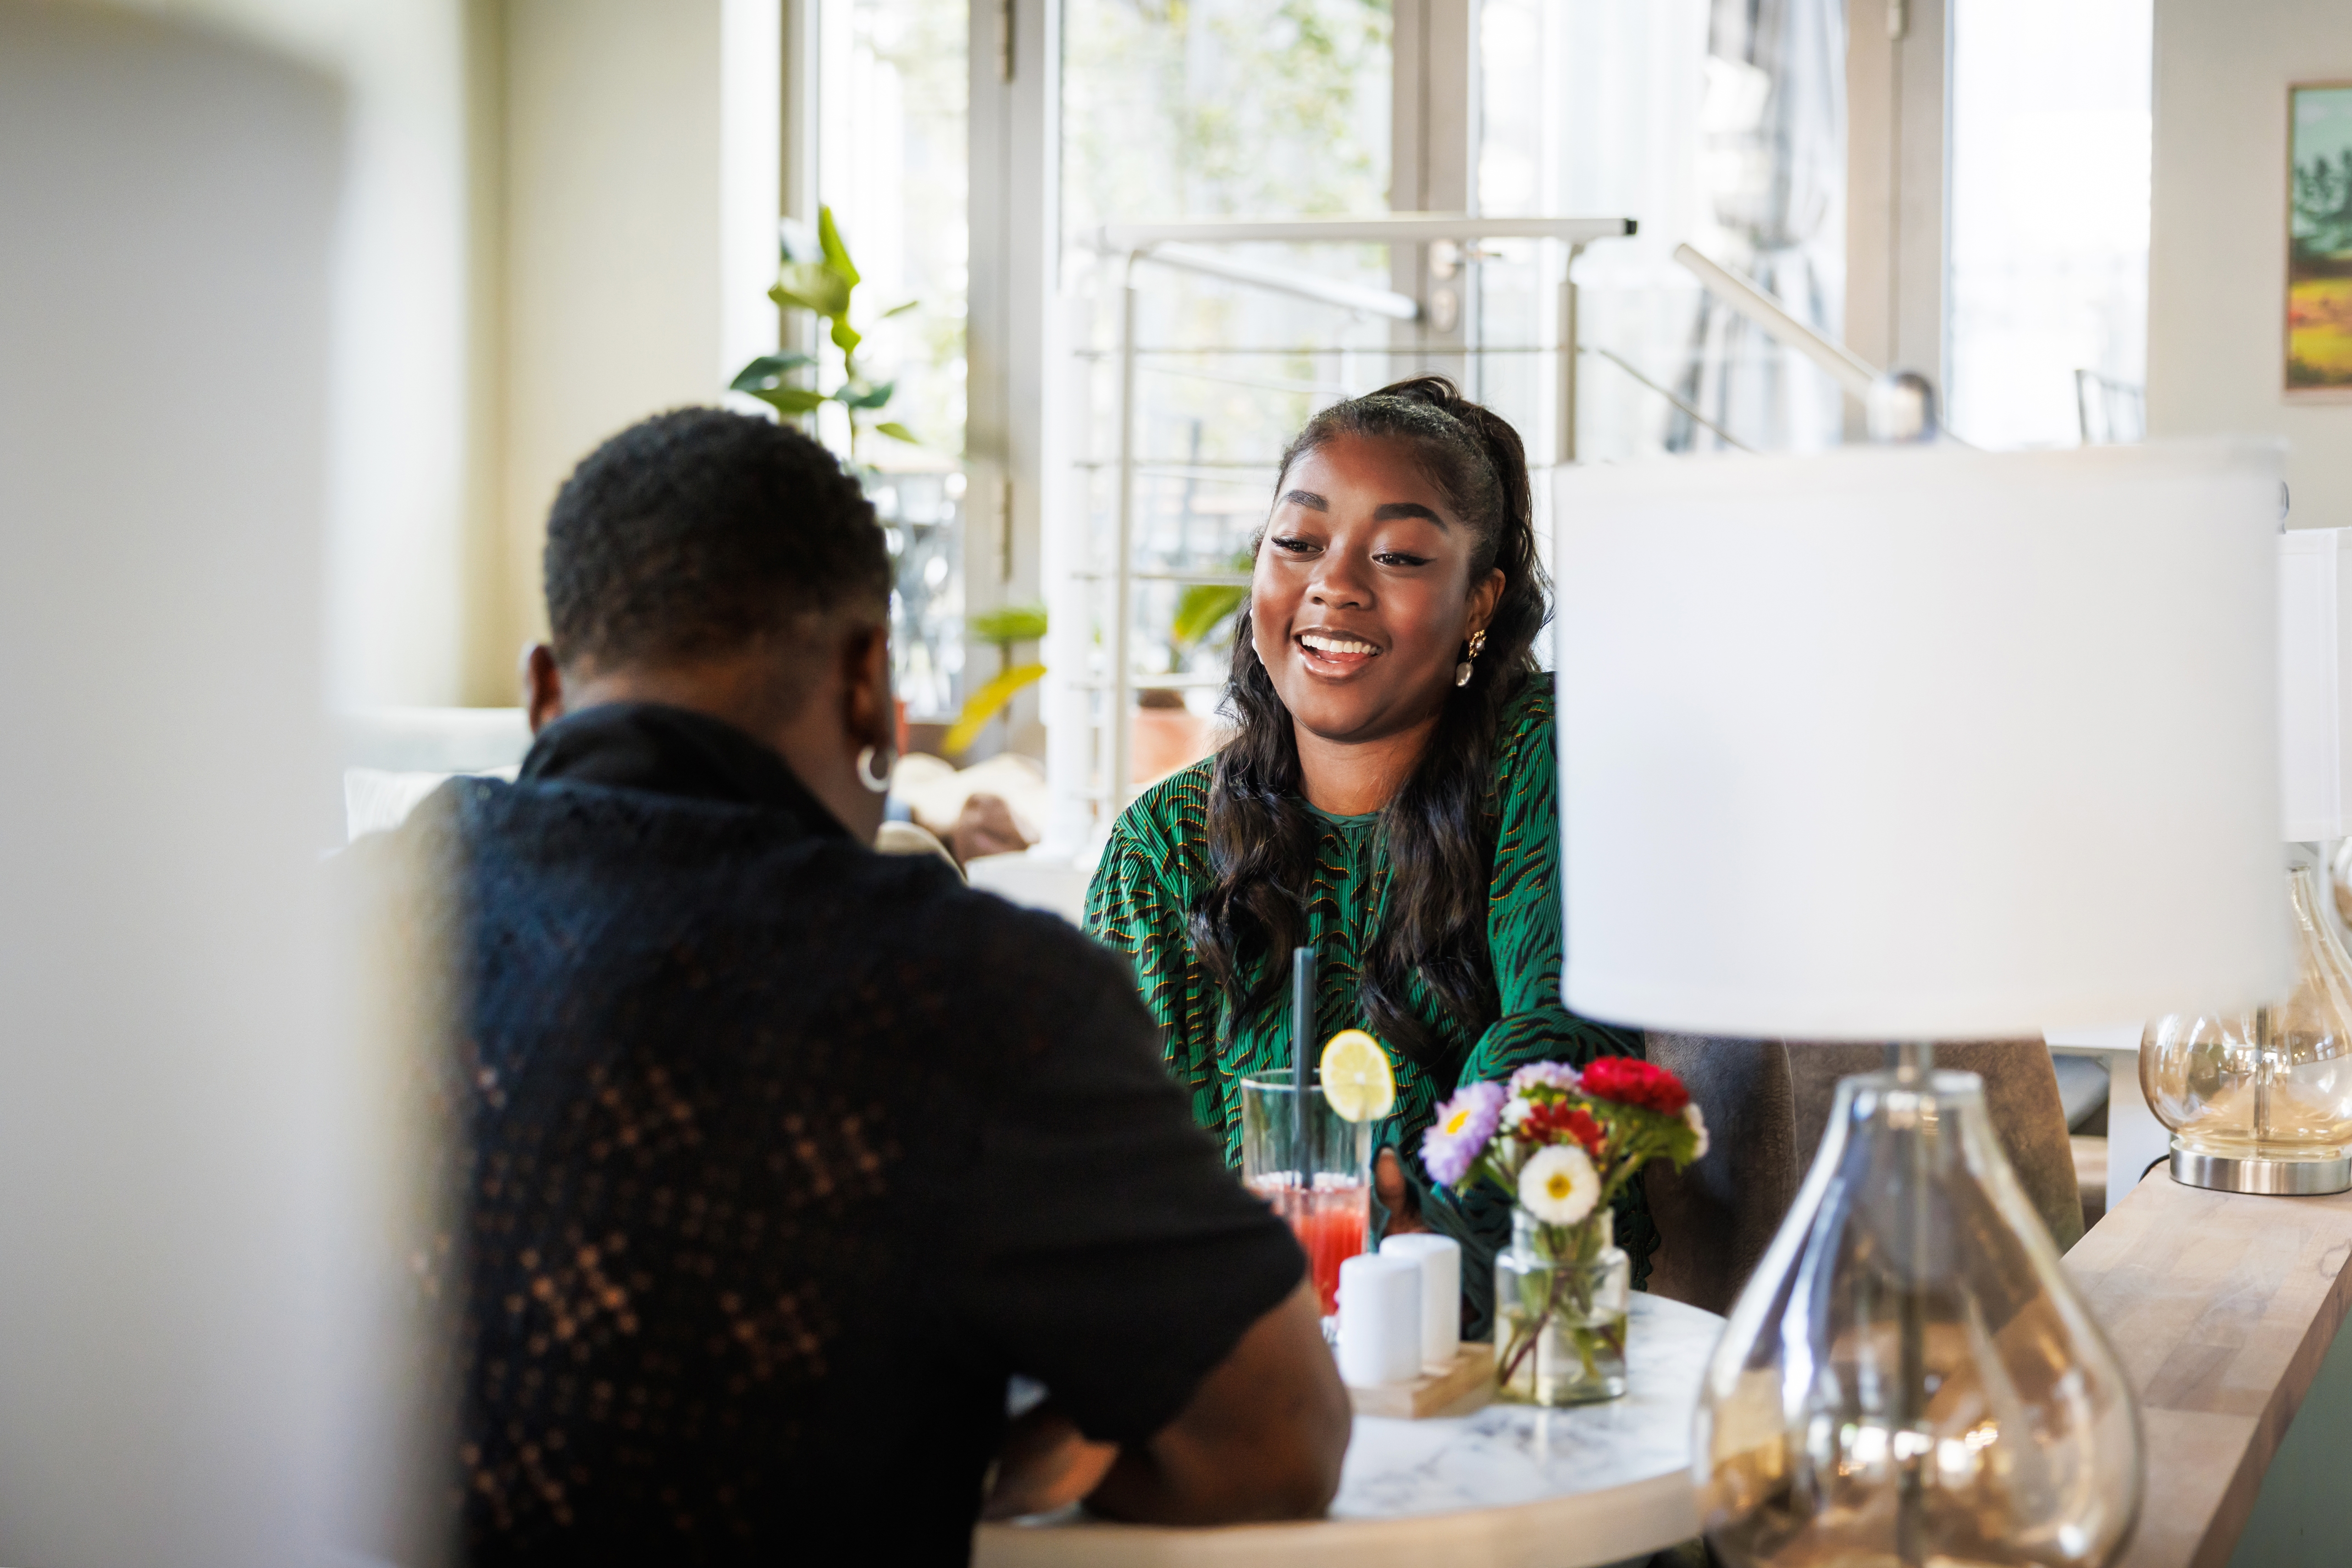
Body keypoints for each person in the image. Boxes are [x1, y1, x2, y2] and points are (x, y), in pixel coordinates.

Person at [371, 409, 1349, 1564]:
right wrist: (1003, 1458)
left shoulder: (340, 925)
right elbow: (1278, 1441)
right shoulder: (980, 998)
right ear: (868, 692)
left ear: (545, 692)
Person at [1084, 376, 1650, 1336]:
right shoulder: (1162, 847)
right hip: (1255, 1361)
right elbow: (1120, 1164)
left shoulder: (1542, 756)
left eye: (1396, 555)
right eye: (1297, 543)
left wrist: (1430, 1234)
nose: (1334, 583)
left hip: (1515, 1341)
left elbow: (1558, 1036)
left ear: (1481, 601)